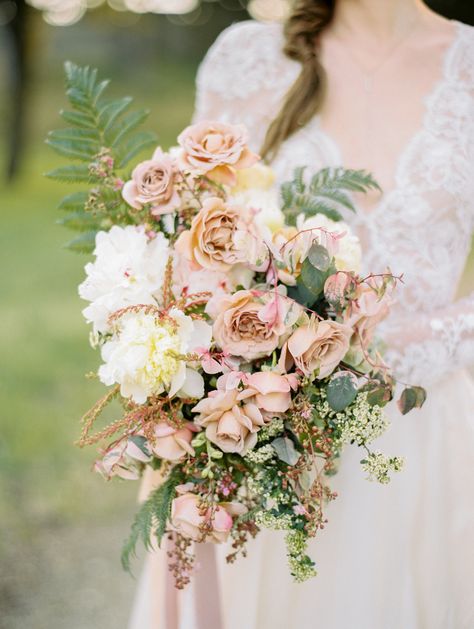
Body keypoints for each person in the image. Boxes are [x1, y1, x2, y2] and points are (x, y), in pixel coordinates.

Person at [129, 1, 474, 627]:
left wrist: (429, 338)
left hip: (429, 436)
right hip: (273, 445)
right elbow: (185, 251)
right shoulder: (247, 59)